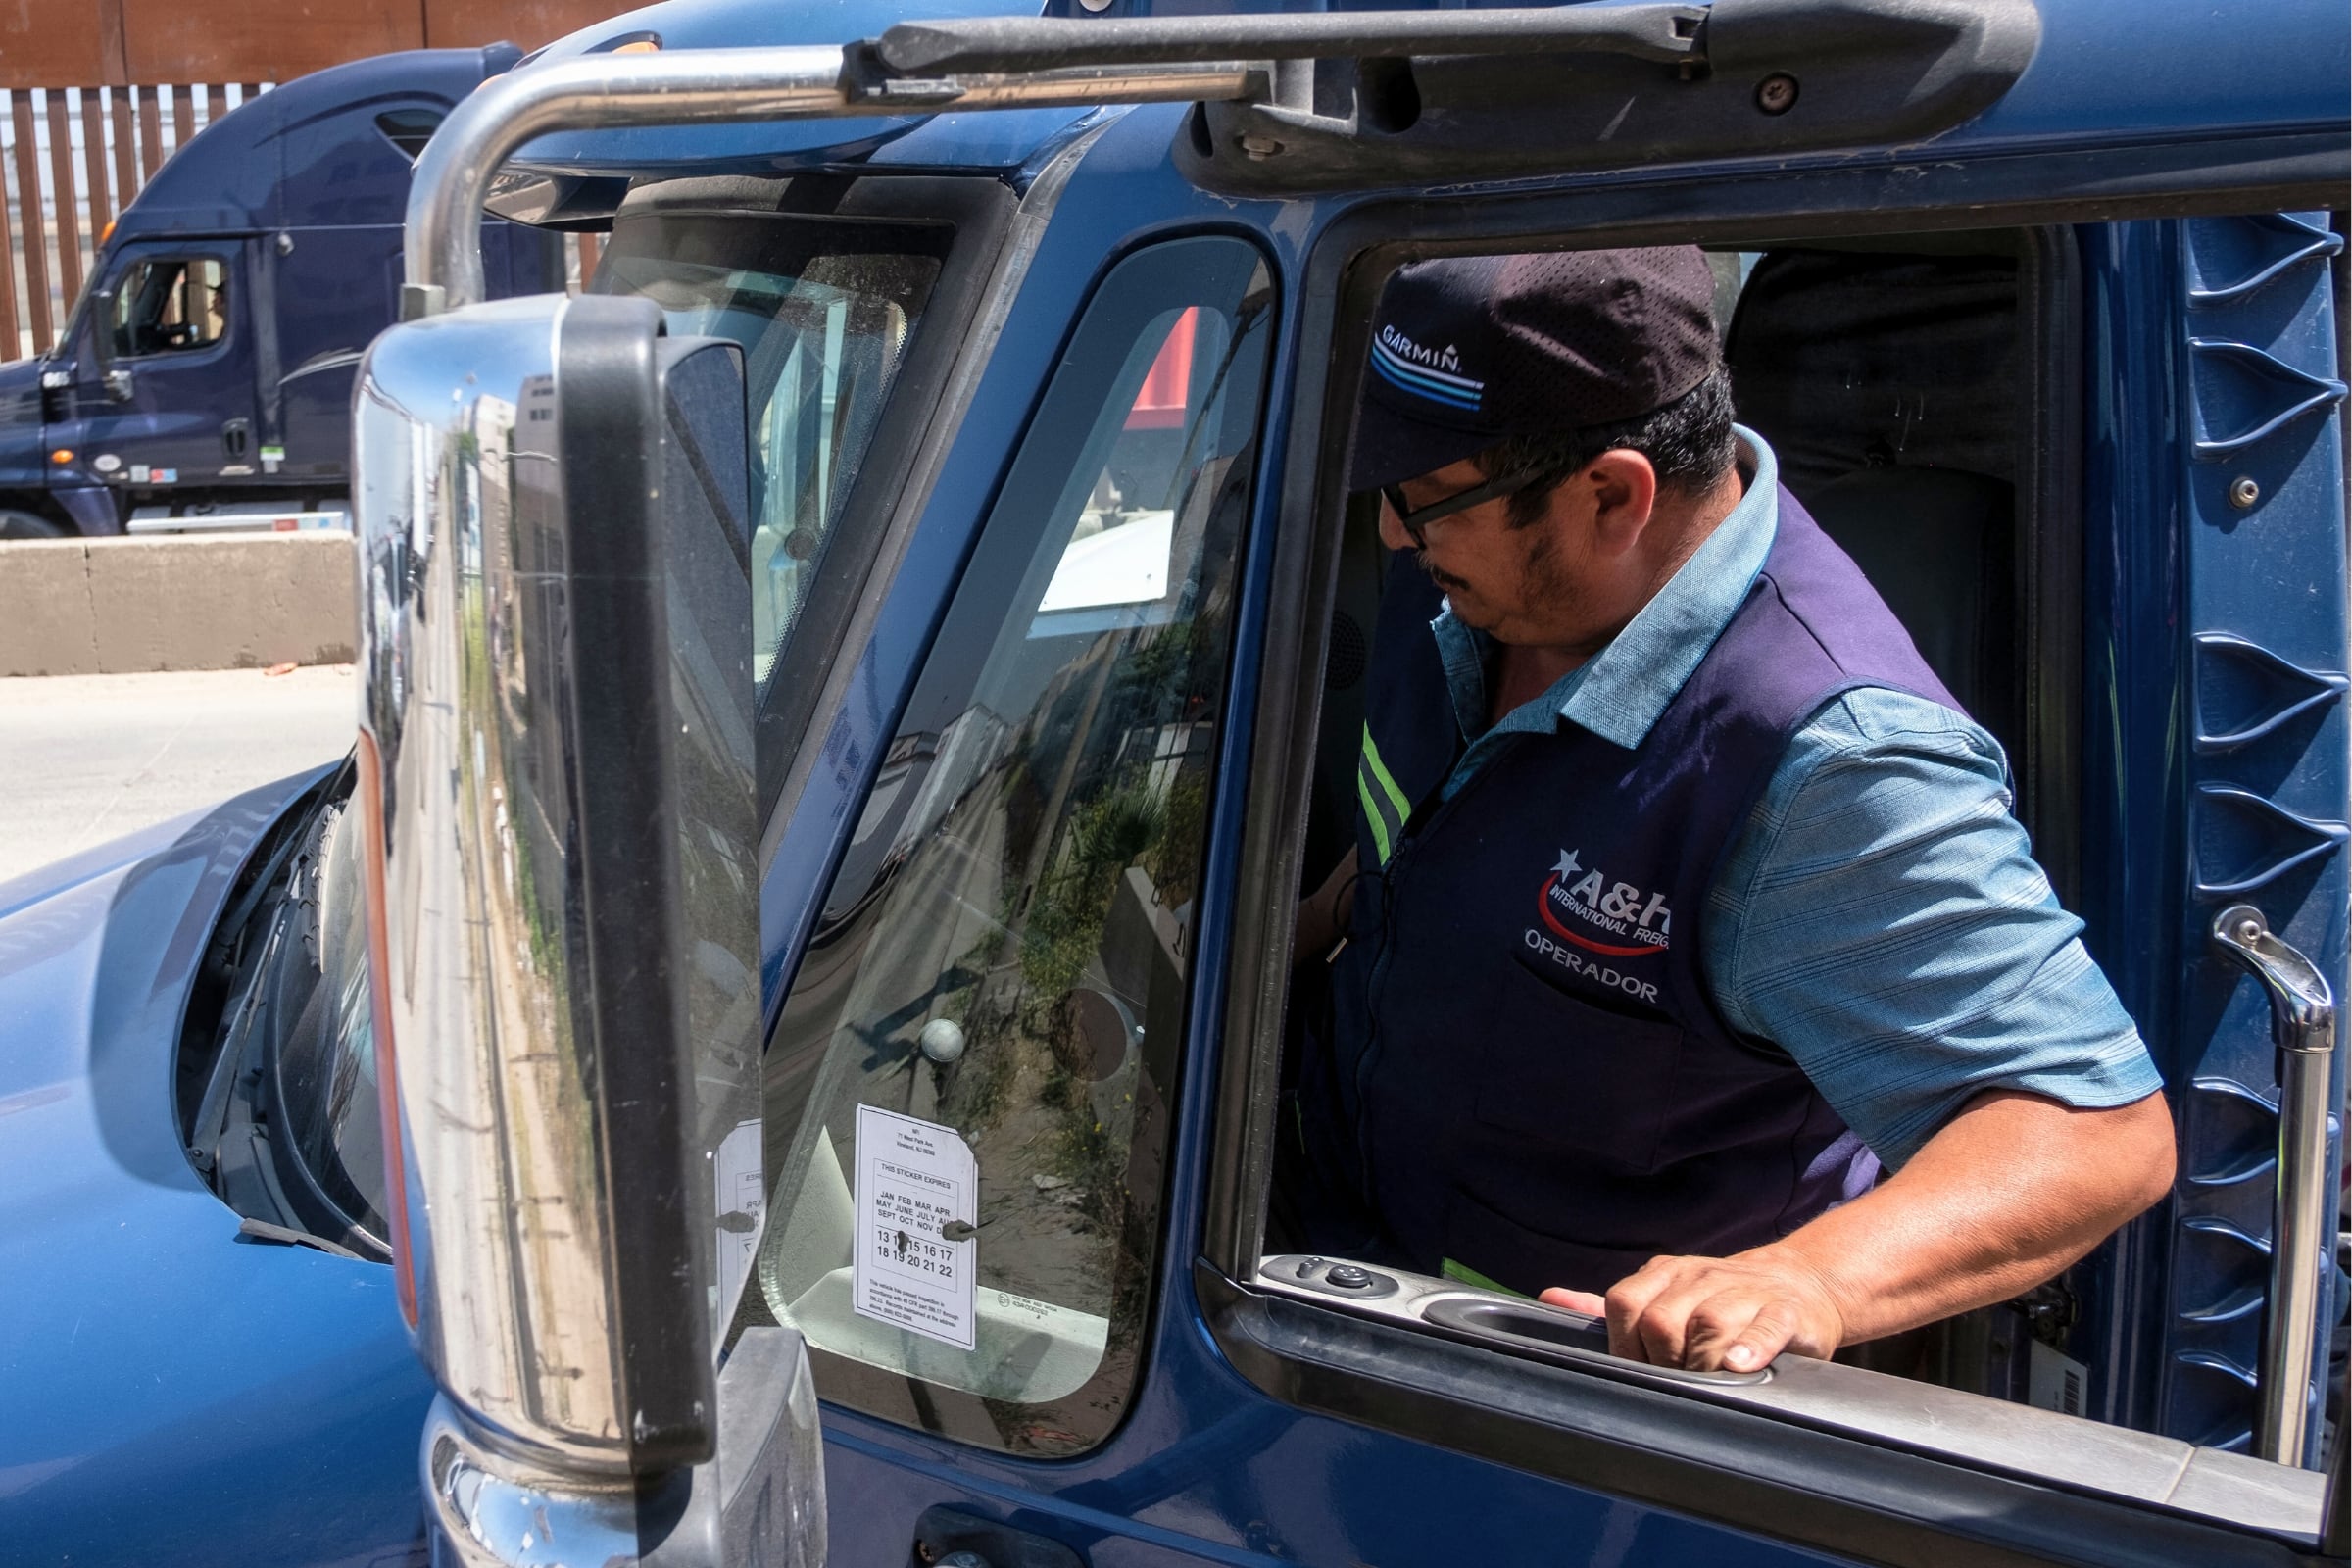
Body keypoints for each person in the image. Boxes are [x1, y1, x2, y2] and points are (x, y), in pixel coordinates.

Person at [1285, 247, 2176, 1375]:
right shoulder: (1487, 570)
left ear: (1611, 494)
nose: (1393, 537)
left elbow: (2096, 1131)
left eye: (1422, 501)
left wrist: (1808, 1277)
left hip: (1543, 1414)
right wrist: (1314, 922)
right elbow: (1445, 829)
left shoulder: (1825, 767)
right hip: (1328, 1291)